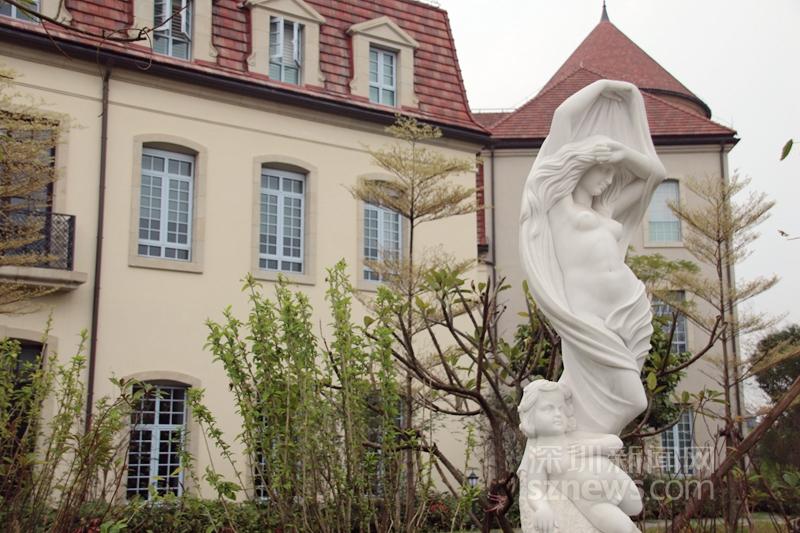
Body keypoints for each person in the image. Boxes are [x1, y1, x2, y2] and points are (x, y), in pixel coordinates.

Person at [519, 79, 666, 435]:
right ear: (584, 165)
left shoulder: (606, 210)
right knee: (633, 400)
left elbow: (655, 174)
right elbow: (562, 118)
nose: (609, 180)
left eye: (613, 174)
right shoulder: (559, 206)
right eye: (604, 171)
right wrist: (602, 86)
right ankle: (585, 444)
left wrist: (621, 154)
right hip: (588, 315)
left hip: (627, 311)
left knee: (580, 395)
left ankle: (569, 438)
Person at [517, 380, 642, 533]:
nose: (558, 414)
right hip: (594, 503)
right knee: (625, 529)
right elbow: (535, 490)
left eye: (561, 408)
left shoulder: (574, 436)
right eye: (548, 409)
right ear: (530, 416)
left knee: (636, 506)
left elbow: (616, 442)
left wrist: (592, 446)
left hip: (616, 479)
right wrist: (542, 508)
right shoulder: (539, 455)